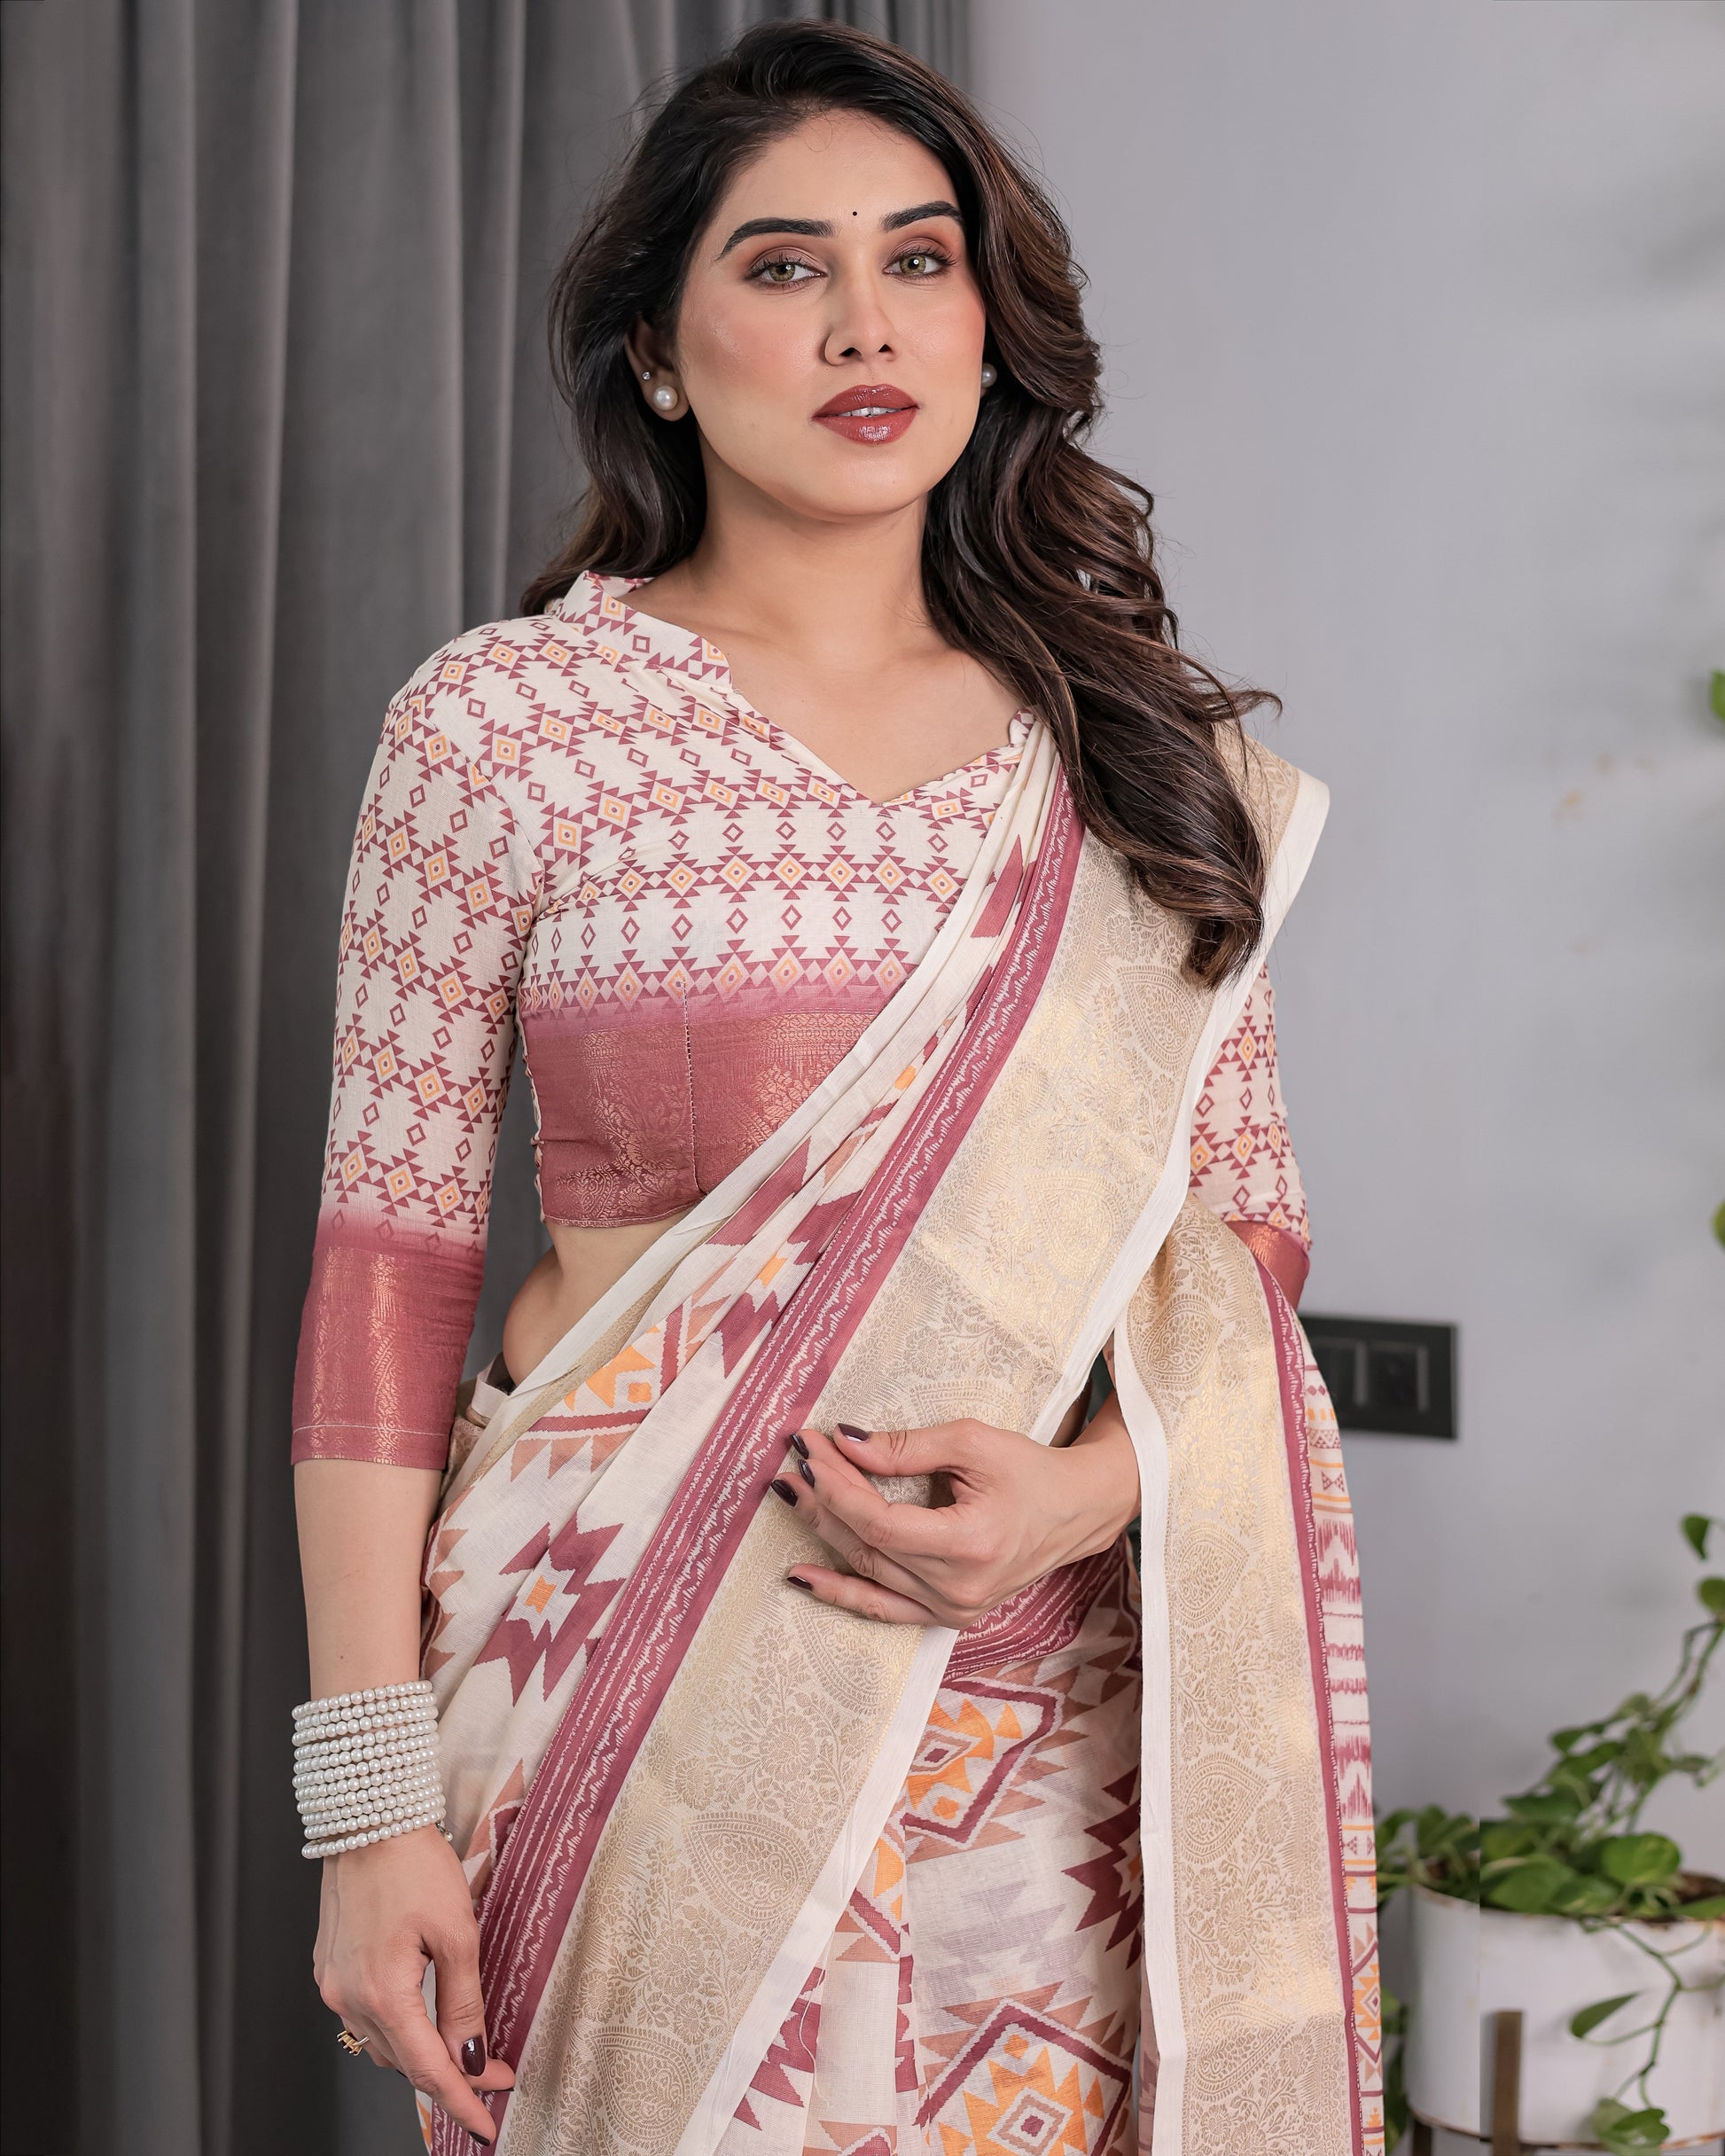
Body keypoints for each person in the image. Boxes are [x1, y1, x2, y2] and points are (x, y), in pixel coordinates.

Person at [291, 23, 1380, 2156]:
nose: (866, 322)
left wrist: (1080, 1497)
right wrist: (367, 1801)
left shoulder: (1132, 757)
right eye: (784, 266)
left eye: (920, 259)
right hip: (617, 1670)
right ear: (658, 354)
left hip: (1035, 1714)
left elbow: (1240, 1242)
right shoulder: (506, 728)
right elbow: (384, 1281)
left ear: (987, 327)